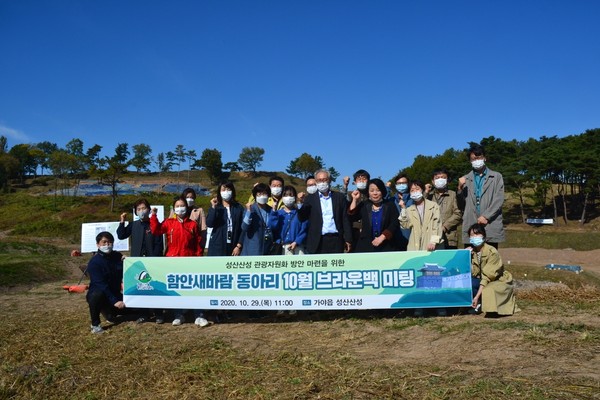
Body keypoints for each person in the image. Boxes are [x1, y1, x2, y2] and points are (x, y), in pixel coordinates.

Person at [150, 197, 207, 327]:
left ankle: (199, 315)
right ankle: (178, 314)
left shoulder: (192, 224)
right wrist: (153, 215)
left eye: (182, 205)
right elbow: (156, 230)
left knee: (194, 288)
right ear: (173, 208)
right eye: (177, 205)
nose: (180, 208)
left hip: (189, 260)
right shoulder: (169, 222)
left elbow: (198, 243)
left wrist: (198, 256)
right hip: (173, 260)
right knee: (176, 289)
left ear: (186, 207)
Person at [117, 198, 164, 323]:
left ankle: (158, 313)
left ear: (149, 210)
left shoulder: (154, 223)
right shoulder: (133, 225)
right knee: (141, 287)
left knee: (155, 286)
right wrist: (122, 221)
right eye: (138, 209)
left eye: (144, 208)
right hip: (137, 262)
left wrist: (157, 258)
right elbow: (121, 235)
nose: (141, 211)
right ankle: (143, 314)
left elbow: (159, 243)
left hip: (152, 261)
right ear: (135, 212)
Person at [458, 143, 505, 249]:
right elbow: (461, 205)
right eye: (473, 159)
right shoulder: (465, 179)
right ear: (470, 161)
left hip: (489, 223)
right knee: (471, 260)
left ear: (484, 158)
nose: (476, 161)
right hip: (471, 224)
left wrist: (486, 216)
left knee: (490, 258)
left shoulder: (496, 176)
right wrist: (459, 189)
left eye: (478, 157)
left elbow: (499, 199)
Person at [467, 223, 517, 317]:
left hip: (495, 279)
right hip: (481, 279)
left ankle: (480, 301)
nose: (474, 237)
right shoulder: (472, 252)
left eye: (477, 234)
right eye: (472, 235)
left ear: (484, 236)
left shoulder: (492, 252)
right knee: (469, 282)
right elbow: (473, 273)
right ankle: (477, 302)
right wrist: (465, 256)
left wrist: (476, 296)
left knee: (489, 289)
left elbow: (487, 276)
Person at [297, 168, 352, 254]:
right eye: (319, 180)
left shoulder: (339, 197)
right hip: (317, 240)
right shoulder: (310, 199)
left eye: (324, 180)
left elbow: (345, 219)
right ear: (316, 182)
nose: (322, 183)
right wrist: (301, 203)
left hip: (336, 239)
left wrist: (348, 239)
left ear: (329, 180)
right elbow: (302, 218)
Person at [86, 232, 126, 334]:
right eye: (104, 242)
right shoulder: (94, 262)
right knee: (96, 295)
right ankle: (95, 325)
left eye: (110, 242)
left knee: (130, 309)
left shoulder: (117, 256)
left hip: (115, 292)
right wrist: (114, 301)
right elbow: (101, 285)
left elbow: (125, 272)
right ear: (98, 244)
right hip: (102, 294)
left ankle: (109, 313)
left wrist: (127, 261)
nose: (107, 245)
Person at [348, 178, 399, 252]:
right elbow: (351, 216)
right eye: (372, 190)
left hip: (386, 246)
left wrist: (383, 237)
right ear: (368, 192)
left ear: (382, 191)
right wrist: (355, 200)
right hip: (366, 247)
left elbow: (395, 223)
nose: (375, 193)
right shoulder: (364, 205)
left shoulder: (390, 205)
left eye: (378, 190)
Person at [398, 180, 443, 251]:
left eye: (417, 189)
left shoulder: (433, 206)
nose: (415, 191)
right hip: (414, 246)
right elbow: (405, 225)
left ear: (422, 190)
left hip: (431, 246)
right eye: (412, 190)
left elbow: (437, 224)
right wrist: (403, 208)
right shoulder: (409, 209)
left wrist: (434, 241)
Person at [206, 181, 245, 256]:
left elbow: (243, 229)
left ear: (232, 191)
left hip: (234, 246)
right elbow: (209, 223)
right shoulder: (216, 207)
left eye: (228, 189)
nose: (226, 192)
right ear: (219, 192)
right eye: (223, 190)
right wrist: (213, 207)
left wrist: (239, 246)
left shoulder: (238, 207)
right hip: (217, 246)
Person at [427, 169, 462, 249]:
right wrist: (426, 192)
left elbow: (458, 213)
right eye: (437, 178)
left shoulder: (453, 194)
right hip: (430, 238)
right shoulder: (429, 195)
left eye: (443, 178)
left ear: (447, 180)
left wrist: (445, 226)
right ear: (432, 181)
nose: (440, 180)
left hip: (449, 237)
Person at [268, 185, 308, 255]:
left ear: (295, 197)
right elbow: (272, 227)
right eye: (285, 195)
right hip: (283, 247)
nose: (288, 198)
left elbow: (304, 229)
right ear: (282, 198)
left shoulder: (299, 213)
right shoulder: (278, 213)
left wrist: (297, 241)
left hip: (298, 246)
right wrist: (273, 211)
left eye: (291, 195)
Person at [241, 183, 274, 256]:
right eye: (259, 194)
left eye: (264, 194)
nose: (262, 196)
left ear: (268, 195)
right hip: (253, 250)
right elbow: (244, 227)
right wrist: (249, 212)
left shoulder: (271, 210)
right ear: (255, 195)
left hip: (268, 248)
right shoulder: (250, 209)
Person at [182, 187, 207, 254]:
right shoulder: (177, 209)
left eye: (192, 197)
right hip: (181, 245)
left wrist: (202, 245)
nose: (189, 199)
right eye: (187, 197)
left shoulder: (199, 210)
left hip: (194, 245)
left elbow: (203, 229)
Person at [391, 173, 413, 251]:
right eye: (399, 183)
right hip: (394, 238)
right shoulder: (391, 200)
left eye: (403, 183)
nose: (401, 185)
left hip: (411, 238)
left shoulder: (413, 199)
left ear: (408, 184)